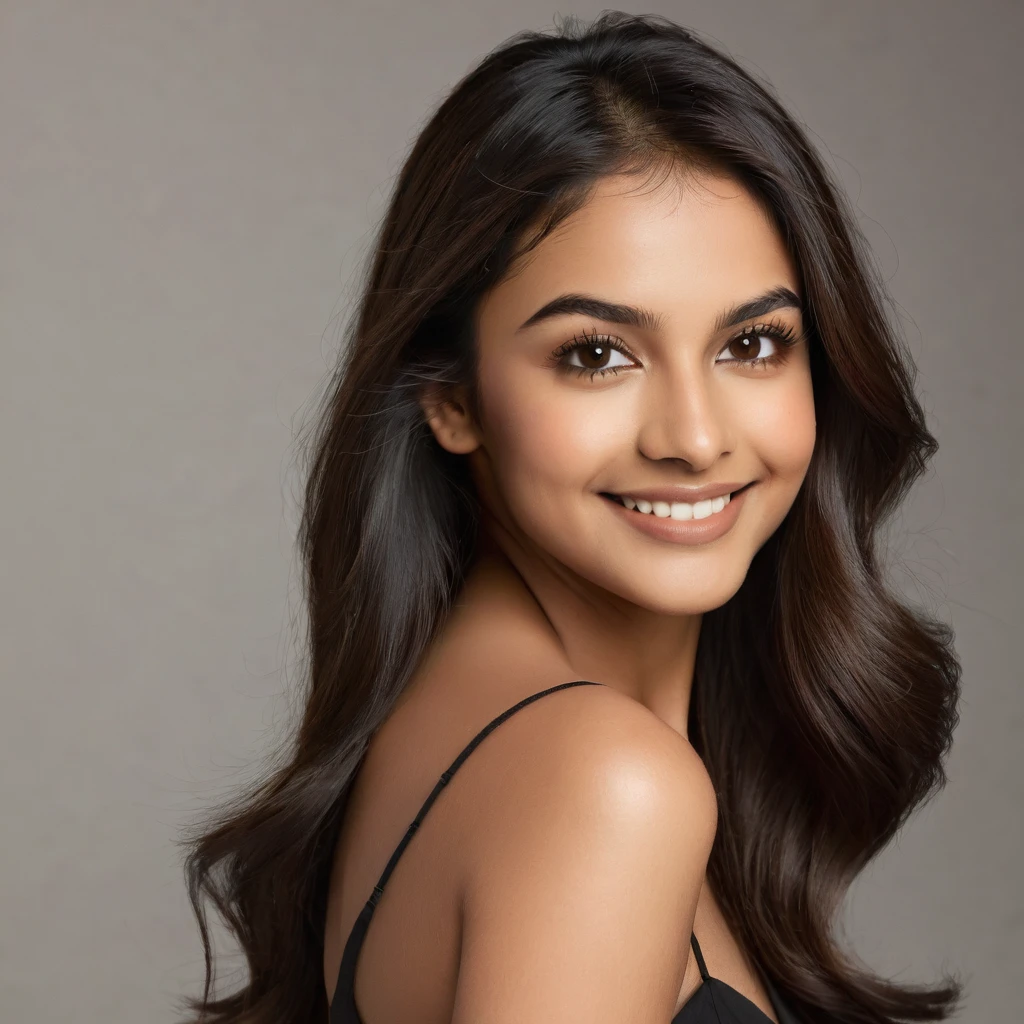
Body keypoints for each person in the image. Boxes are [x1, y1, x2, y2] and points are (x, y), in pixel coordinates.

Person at [180, 12, 963, 1024]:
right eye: (597, 353)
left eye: (753, 344)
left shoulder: (458, 725)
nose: (691, 434)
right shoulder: (603, 785)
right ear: (450, 397)